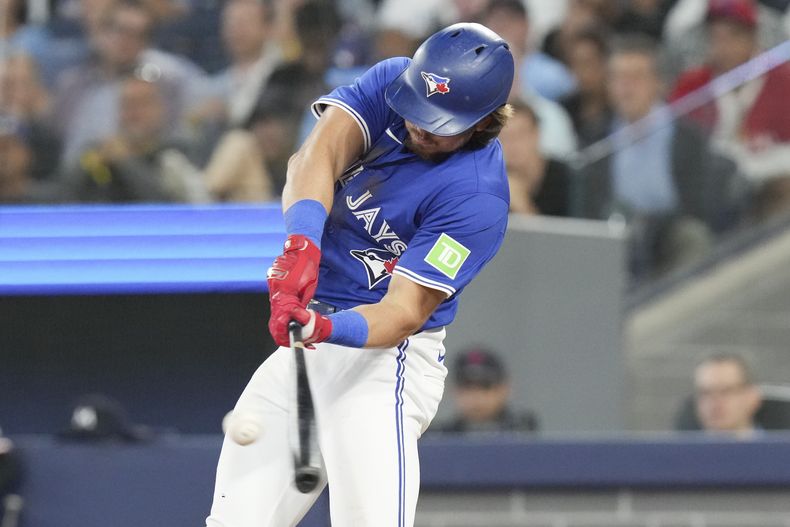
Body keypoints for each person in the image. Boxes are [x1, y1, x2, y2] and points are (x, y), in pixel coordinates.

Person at [206, 22, 514, 527]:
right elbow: (316, 156)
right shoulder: (393, 82)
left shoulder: (477, 196)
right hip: (310, 346)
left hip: (385, 363)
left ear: (482, 121)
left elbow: (402, 312)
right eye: (418, 107)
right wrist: (301, 244)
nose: (420, 125)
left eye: (440, 123)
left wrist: (327, 329)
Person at [579, 35, 739, 279]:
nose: (626, 88)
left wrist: (652, 227)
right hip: (616, 239)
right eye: (618, 78)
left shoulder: (687, 137)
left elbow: (699, 205)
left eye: (636, 78)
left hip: (669, 235)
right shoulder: (595, 138)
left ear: (658, 82)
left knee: (691, 236)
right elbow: (589, 206)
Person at [669, 0, 790, 217]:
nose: (723, 46)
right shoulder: (692, 86)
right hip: (713, 195)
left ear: (752, 36)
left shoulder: (783, 79)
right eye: (716, 36)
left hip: (773, 189)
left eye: (733, 36)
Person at [62, 75, 207, 203]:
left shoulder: (177, 153)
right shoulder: (98, 152)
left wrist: (125, 162)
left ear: (162, 109)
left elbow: (166, 203)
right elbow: (64, 193)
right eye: (126, 105)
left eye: (142, 104)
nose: (133, 114)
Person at [435, 347, 539, 433]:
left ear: (505, 388)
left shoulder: (523, 433)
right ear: (453, 390)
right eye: (467, 387)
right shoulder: (438, 439)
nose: (476, 396)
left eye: (485, 386)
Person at [500, 98, 573, 216]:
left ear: (537, 134)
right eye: (505, 137)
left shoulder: (566, 178)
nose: (513, 145)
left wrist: (523, 206)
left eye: (520, 135)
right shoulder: (489, 179)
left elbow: (576, 231)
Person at [694, 353, 762, 438]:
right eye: (706, 393)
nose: (715, 402)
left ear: (752, 397)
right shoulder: (682, 450)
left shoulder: (775, 450)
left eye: (726, 391)